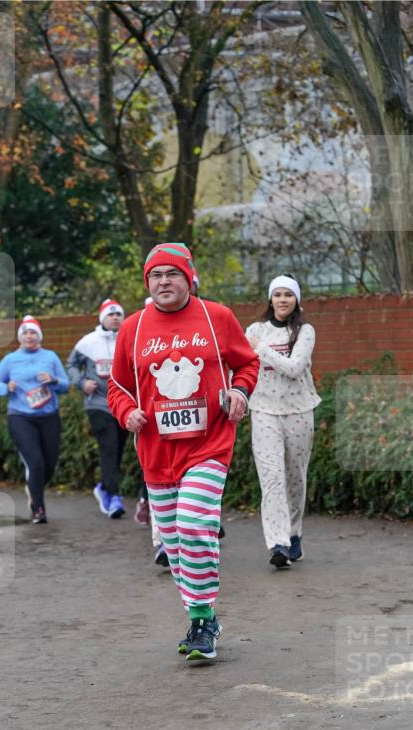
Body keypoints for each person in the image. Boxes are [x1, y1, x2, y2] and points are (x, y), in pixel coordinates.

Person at [108, 243, 259, 663]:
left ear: (189, 278)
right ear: (147, 283)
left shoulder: (217, 317)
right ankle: (200, 615)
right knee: (173, 543)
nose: (163, 282)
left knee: (193, 523)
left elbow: (247, 364)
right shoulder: (133, 328)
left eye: (172, 273)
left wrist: (240, 392)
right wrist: (127, 413)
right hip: (156, 452)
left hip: (209, 444)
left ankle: (203, 619)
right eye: (155, 275)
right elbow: (117, 386)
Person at [245, 274, 321, 568]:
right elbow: (241, 364)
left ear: (296, 299)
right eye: (277, 294)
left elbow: (294, 368)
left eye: (288, 294)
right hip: (264, 410)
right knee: (272, 478)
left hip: (299, 410)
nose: (282, 300)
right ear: (270, 299)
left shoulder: (305, 331)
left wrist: (260, 349)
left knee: (295, 479)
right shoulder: (255, 330)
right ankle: (278, 544)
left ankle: (294, 533)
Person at [0, 315, 69, 524]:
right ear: (20, 337)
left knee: (49, 465)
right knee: (35, 463)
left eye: (33, 332)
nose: (29, 336)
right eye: (25, 333)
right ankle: (38, 509)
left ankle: (33, 488)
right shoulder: (10, 359)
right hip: (21, 416)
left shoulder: (50, 357)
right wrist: (6, 388)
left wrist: (54, 380)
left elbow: (66, 385)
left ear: (39, 336)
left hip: (49, 416)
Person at [67, 298, 127, 519]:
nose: (115, 318)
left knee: (118, 450)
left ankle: (104, 487)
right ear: (102, 318)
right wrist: (81, 382)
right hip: (98, 404)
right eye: (110, 314)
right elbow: (71, 365)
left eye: (118, 314)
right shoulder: (88, 342)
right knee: (109, 447)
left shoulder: (129, 338)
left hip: (124, 405)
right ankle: (114, 497)